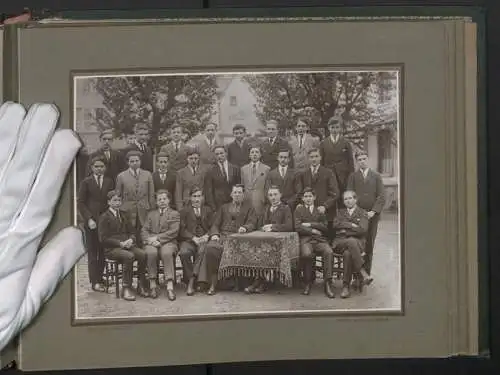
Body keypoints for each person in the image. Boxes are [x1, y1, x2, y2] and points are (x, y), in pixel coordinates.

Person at [203, 185, 257, 295]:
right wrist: (215, 234)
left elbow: (252, 222)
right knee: (211, 248)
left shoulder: (249, 208)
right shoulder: (224, 207)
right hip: (223, 236)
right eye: (235, 193)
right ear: (231, 194)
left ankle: (238, 281)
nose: (237, 195)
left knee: (241, 249)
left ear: (243, 195)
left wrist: (245, 227)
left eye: (239, 193)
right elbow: (215, 224)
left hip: (239, 237)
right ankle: (213, 283)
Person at [98, 190, 148, 301]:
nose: (117, 203)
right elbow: (103, 238)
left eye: (119, 200)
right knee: (129, 256)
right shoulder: (104, 217)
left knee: (143, 254)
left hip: (127, 245)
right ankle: (126, 287)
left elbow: (132, 231)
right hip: (112, 249)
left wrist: (131, 239)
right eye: (114, 200)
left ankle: (141, 284)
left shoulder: (124, 214)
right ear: (108, 202)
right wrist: (119, 243)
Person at [245, 185, 293, 294]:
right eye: (270, 195)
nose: (273, 197)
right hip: (266, 241)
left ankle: (264, 282)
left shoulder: (285, 208)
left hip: (278, 243)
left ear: (280, 195)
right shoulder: (266, 208)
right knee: (257, 251)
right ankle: (258, 281)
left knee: (266, 251)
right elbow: (260, 225)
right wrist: (263, 228)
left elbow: (289, 226)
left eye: (275, 194)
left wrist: (273, 227)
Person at [77, 156, 114, 292]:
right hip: (92, 222)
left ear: (105, 168)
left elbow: (112, 200)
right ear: (92, 168)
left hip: (105, 221)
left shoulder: (110, 182)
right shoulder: (86, 182)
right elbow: (81, 202)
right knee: (93, 252)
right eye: (96, 166)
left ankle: (101, 277)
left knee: (103, 251)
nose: (99, 169)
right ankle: (94, 282)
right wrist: (89, 219)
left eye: (101, 166)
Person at [347, 151, 386, 275]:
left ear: (368, 159)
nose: (362, 161)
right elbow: (349, 195)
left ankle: (366, 274)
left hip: (372, 216)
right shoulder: (353, 176)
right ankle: (357, 274)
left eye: (364, 158)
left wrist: (373, 211)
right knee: (357, 244)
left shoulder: (376, 176)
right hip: (357, 216)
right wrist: (355, 211)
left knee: (369, 244)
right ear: (356, 162)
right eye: (359, 159)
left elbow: (381, 196)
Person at [294, 188, 335, 298]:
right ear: (302, 198)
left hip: (319, 240)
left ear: (314, 197)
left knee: (329, 252)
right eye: (306, 196)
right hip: (306, 240)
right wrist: (312, 230)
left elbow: (325, 227)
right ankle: (308, 282)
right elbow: (297, 226)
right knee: (307, 254)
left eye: (310, 196)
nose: (308, 199)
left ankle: (327, 283)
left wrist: (310, 224)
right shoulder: (299, 210)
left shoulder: (319, 210)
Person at [332, 190, 373, 298]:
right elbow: (336, 225)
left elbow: (362, 230)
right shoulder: (339, 212)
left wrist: (345, 229)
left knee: (348, 253)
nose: (348, 201)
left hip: (357, 243)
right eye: (345, 199)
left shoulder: (363, 212)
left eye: (350, 198)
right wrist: (351, 225)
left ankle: (345, 287)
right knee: (351, 241)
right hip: (340, 242)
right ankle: (362, 272)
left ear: (355, 199)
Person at [141, 190, 180, 301]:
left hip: (168, 242)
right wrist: (149, 241)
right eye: (159, 199)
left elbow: (173, 232)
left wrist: (158, 239)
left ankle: (170, 285)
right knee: (151, 252)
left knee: (167, 253)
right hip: (151, 242)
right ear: (156, 202)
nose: (162, 201)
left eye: (164, 199)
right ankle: (152, 284)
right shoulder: (151, 214)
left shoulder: (174, 214)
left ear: (169, 200)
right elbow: (144, 230)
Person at [178, 187, 214, 296]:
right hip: (189, 240)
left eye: (199, 196)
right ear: (190, 198)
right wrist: (193, 238)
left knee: (202, 250)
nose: (197, 199)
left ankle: (192, 281)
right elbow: (182, 229)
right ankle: (190, 278)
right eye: (194, 196)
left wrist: (207, 235)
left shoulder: (208, 210)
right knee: (184, 253)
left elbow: (213, 226)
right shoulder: (184, 211)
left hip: (203, 239)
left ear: (202, 197)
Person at [115, 150, 155, 244]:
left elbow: (151, 193)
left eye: (137, 160)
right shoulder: (121, 176)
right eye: (131, 161)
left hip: (144, 208)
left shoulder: (147, 174)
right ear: (127, 162)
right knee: (131, 233)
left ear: (140, 161)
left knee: (143, 233)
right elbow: (118, 194)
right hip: (128, 210)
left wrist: (152, 209)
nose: (134, 163)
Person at [297, 148, 340, 231]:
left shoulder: (328, 173)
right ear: (308, 159)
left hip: (326, 213)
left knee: (327, 238)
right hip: (309, 213)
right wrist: (301, 203)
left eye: (316, 156)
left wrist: (325, 206)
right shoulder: (304, 174)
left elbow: (335, 193)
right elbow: (300, 192)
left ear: (320, 157)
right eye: (311, 157)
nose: (314, 159)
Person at [320, 115, 355, 205]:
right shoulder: (324, 143)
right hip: (329, 174)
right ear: (329, 128)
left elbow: (350, 161)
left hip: (343, 175)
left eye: (337, 127)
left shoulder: (346, 142)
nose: (334, 130)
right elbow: (321, 161)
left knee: (343, 199)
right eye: (332, 127)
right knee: (330, 197)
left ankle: (342, 217)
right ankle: (331, 218)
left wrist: (350, 176)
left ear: (340, 128)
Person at [205, 145, 241, 212]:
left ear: (226, 153)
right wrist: (213, 208)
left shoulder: (235, 169)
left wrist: (238, 204)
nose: (219, 156)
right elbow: (208, 192)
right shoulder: (210, 171)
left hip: (232, 204)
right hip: (218, 205)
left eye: (221, 153)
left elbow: (239, 188)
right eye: (217, 154)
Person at [241, 146, 270, 216]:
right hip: (247, 200)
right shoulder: (243, 169)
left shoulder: (266, 168)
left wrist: (265, 200)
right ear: (249, 155)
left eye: (257, 152)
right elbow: (242, 186)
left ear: (260, 155)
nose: (254, 154)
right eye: (252, 152)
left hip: (260, 200)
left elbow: (267, 187)